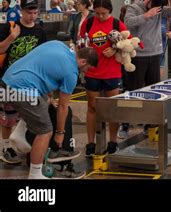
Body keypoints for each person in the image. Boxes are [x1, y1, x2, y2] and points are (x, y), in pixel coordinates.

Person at [0, 42, 98, 178]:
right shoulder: (72, 73)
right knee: (45, 131)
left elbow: (44, 68)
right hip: (24, 90)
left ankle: (20, 133)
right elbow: (63, 107)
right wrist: (59, 133)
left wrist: (49, 97)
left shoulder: (58, 45)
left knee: (43, 103)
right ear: (82, 61)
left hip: (6, 83)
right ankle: (35, 174)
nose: (86, 73)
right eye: (87, 69)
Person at [120, 0, 171, 138]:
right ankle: (126, 123)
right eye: (153, 5)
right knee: (132, 90)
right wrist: (146, 15)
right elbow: (127, 23)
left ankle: (150, 124)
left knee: (152, 91)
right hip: (138, 55)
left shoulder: (160, 9)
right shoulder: (134, 7)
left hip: (154, 54)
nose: (156, 9)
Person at [0, 0, 47, 164]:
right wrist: (12, 37)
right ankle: (6, 147)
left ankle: (26, 147)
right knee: (9, 118)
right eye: (29, 12)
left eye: (35, 12)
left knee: (28, 117)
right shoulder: (10, 27)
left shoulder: (40, 31)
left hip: (30, 82)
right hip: (9, 80)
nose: (32, 16)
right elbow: (0, 49)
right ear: (21, 11)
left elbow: (43, 57)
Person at [79, 0, 128, 157]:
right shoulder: (90, 22)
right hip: (93, 71)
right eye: (98, 13)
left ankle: (113, 141)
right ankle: (91, 143)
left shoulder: (116, 23)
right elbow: (81, 40)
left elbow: (130, 44)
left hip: (112, 71)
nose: (100, 16)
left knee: (112, 108)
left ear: (110, 11)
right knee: (92, 107)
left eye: (103, 13)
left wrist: (115, 49)